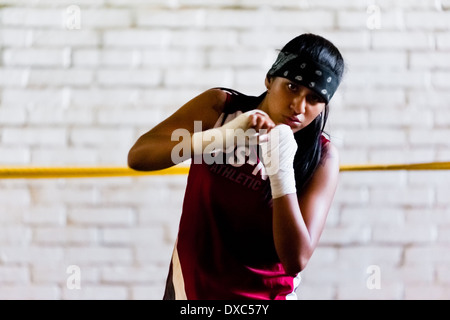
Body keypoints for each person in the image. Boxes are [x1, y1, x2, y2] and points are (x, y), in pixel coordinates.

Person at [128, 33, 345, 300]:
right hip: (190, 290)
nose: (298, 106)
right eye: (292, 87)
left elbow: (296, 259)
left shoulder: (322, 156)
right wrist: (216, 138)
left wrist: (282, 172)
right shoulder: (220, 108)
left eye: (314, 98)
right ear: (270, 79)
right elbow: (139, 156)